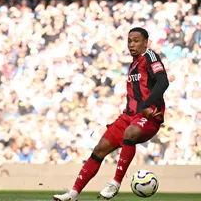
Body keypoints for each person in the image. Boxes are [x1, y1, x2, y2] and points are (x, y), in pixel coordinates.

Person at [53, 27, 170, 201]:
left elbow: (163, 82)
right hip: (128, 116)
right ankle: (73, 194)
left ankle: (115, 183)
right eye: (129, 40)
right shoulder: (133, 65)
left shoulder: (149, 56)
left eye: (136, 41)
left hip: (148, 116)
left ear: (145, 43)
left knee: (131, 133)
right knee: (99, 149)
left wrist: (147, 105)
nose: (132, 44)